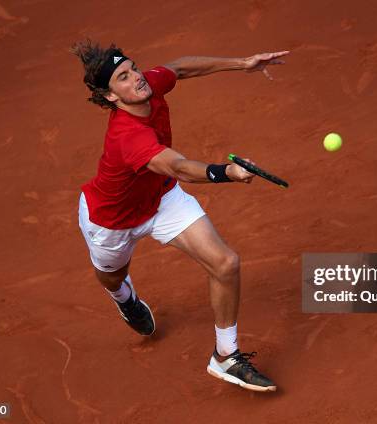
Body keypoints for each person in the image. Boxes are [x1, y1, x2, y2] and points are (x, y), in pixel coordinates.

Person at [71, 39, 288, 392]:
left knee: (225, 263)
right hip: (111, 221)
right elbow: (181, 167)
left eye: (133, 68)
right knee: (112, 278)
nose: (136, 79)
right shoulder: (127, 137)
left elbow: (182, 66)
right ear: (111, 97)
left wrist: (243, 61)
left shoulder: (148, 86)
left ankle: (226, 356)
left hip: (161, 198)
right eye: (123, 78)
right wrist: (225, 173)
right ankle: (124, 299)